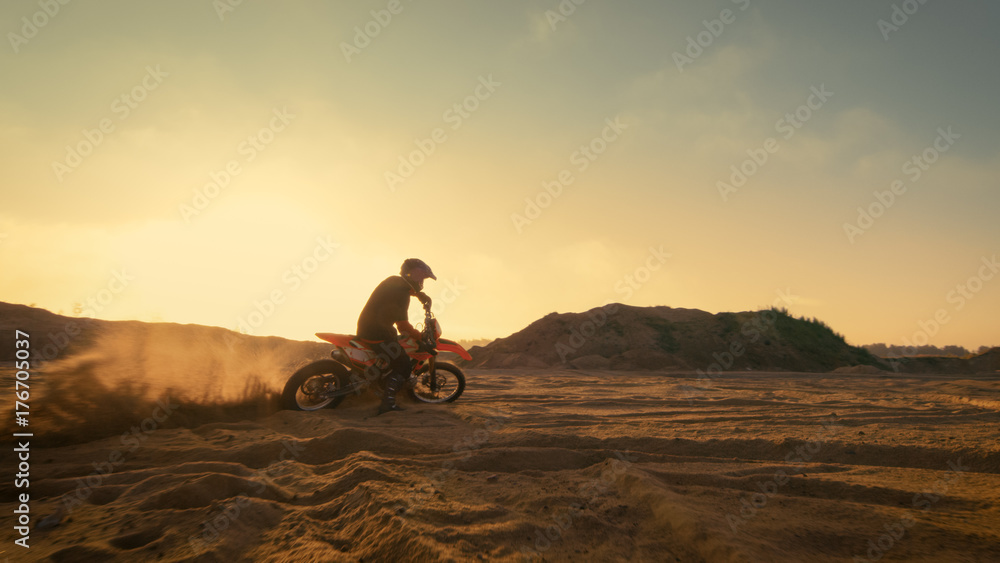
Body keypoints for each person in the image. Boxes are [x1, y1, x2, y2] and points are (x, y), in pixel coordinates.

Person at [357, 258, 436, 415]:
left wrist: (420, 295)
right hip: (377, 332)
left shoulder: (394, 282)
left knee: (395, 353)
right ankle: (388, 403)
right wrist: (420, 338)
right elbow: (403, 327)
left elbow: (404, 288)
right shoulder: (401, 294)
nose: (422, 281)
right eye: (421, 277)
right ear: (412, 274)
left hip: (370, 328)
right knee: (403, 365)